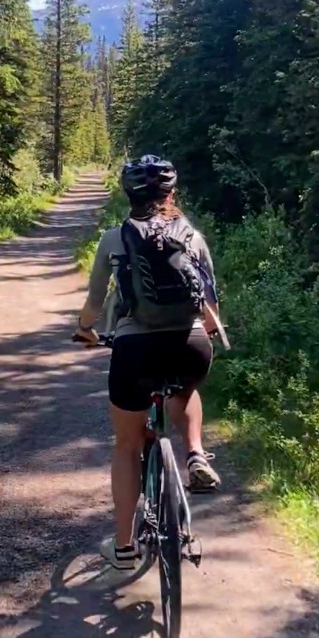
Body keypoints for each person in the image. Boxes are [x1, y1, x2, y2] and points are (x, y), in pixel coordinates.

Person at [74, 154, 222, 572]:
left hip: (134, 350)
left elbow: (94, 302)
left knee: (127, 443)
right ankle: (194, 454)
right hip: (190, 345)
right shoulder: (191, 235)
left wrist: (85, 330)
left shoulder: (113, 239)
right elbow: (209, 304)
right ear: (171, 193)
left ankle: (123, 549)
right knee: (185, 387)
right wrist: (205, 331)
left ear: (129, 195)